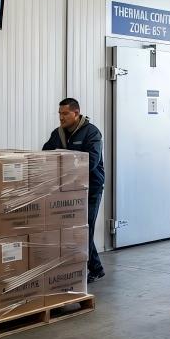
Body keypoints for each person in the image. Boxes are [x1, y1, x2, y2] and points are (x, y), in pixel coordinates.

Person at [43, 98, 106, 283]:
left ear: (76, 113)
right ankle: (96, 268)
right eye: (59, 114)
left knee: (84, 228)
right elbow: (45, 154)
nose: (61, 118)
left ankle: (85, 268)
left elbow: (91, 162)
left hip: (90, 188)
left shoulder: (91, 133)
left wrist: (66, 168)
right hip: (68, 189)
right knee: (75, 229)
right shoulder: (58, 134)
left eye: (65, 114)